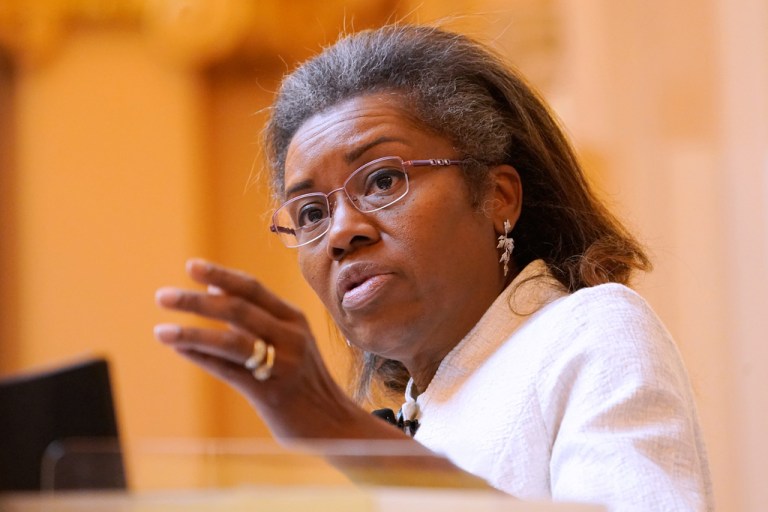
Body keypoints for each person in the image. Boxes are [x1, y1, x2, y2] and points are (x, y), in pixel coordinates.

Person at [154, 24, 713, 511]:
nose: (342, 232)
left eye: (383, 180)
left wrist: (336, 426)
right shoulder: (428, 407)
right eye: (311, 213)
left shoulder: (591, 331)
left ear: (497, 196)